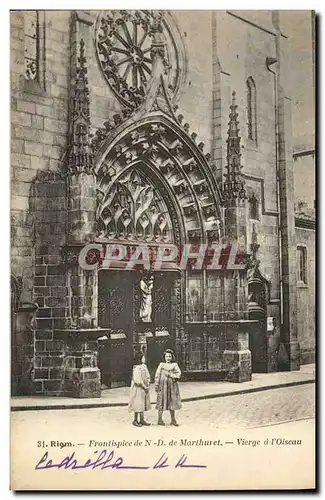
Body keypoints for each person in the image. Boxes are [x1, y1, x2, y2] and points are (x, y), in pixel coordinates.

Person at [154, 349, 182, 426]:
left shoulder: (175, 365)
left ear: (172, 357)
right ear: (164, 357)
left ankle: (173, 420)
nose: (168, 358)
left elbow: (179, 374)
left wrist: (172, 375)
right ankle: (159, 419)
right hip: (162, 386)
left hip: (172, 386)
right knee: (161, 401)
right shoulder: (161, 365)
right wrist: (156, 385)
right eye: (167, 356)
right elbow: (157, 375)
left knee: (171, 401)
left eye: (170, 356)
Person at [128, 352, 151, 427]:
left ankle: (142, 419)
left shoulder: (144, 366)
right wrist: (144, 386)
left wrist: (148, 383)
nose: (144, 358)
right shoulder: (136, 368)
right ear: (140, 359)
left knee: (142, 404)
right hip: (138, 388)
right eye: (143, 357)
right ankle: (135, 420)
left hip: (144, 388)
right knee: (137, 404)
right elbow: (137, 380)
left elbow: (148, 375)